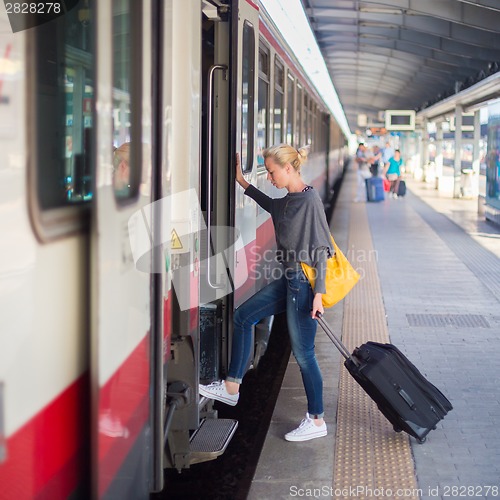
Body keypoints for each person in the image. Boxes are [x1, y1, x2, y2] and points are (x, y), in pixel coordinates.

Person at [199, 144, 333, 442]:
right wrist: (243, 183)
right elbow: (271, 205)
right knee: (243, 316)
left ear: (288, 169)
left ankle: (316, 419)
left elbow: (322, 250)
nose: (269, 177)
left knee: (305, 354)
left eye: (271, 172)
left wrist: (319, 295)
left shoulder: (309, 200)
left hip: (304, 283)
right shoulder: (289, 200)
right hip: (290, 280)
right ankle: (232, 388)